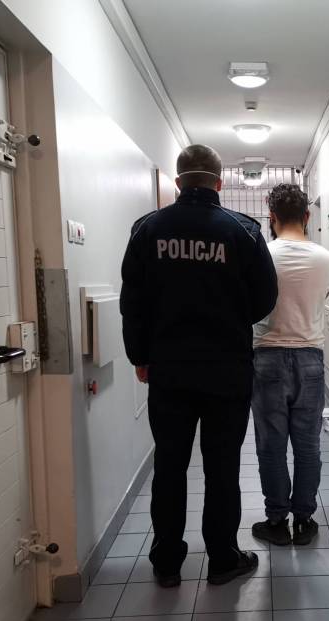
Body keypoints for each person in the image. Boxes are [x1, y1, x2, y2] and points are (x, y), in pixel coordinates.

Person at [121, 144, 278, 587]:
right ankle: (223, 559)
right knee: (222, 466)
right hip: (227, 369)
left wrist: (139, 356)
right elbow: (266, 297)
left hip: (168, 370)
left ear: (177, 183)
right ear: (219, 182)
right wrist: (230, 317)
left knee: (169, 465)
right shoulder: (243, 231)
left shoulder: (147, 229)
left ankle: (167, 562)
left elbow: (132, 302)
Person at [251, 183, 329, 546]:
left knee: (271, 446)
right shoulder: (327, 259)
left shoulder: (261, 255)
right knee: (307, 445)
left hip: (267, 358)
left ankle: (276, 521)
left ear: (271, 217)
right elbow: (322, 297)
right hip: (310, 358)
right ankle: (304, 519)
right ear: (307, 215)